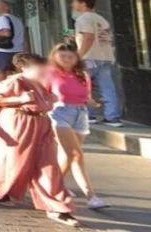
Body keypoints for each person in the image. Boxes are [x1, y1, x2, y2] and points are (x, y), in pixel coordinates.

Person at [0, 54, 77, 226]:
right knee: (15, 162)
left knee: (48, 164)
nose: (43, 70)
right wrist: (19, 99)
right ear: (24, 68)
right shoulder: (14, 82)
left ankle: (58, 207)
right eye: (38, 68)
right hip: (19, 121)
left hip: (42, 122)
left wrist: (52, 99)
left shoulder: (43, 82)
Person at [47, 43, 110, 211]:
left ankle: (54, 186)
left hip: (80, 114)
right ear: (55, 57)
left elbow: (88, 97)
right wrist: (49, 99)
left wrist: (93, 102)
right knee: (76, 154)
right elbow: (42, 95)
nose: (67, 59)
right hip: (59, 113)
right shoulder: (50, 74)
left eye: (70, 56)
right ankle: (92, 196)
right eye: (63, 56)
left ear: (76, 58)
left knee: (68, 156)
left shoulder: (82, 74)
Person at [70, 0, 122, 127]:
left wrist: (78, 55)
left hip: (89, 57)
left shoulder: (83, 19)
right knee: (108, 87)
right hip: (105, 56)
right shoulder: (100, 18)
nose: (72, 5)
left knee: (84, 86)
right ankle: (112, 117)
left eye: (75, 2)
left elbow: (88, 38)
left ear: (83, 4)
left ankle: (89, 115)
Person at [0, 0, 25, 82]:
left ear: (7, 7)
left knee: (0, 72)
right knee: (14, 72)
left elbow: (7, 33)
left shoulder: (2, 18)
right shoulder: (16, 20)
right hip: (17, 49)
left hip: (4, 51)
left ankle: (3, 91)